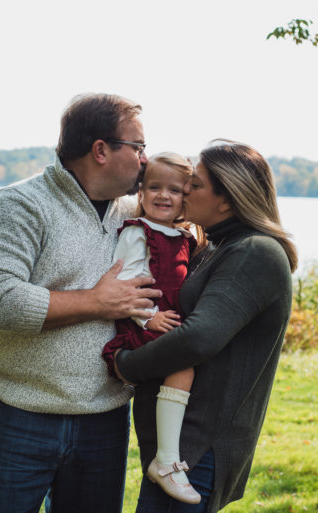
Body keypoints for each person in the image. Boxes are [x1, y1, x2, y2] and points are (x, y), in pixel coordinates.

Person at [0, 93, 162, 513]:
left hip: (105, 421)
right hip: (17, 417)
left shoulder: (135, 214)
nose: (146, 159)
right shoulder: (20, 204)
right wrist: (96, 302)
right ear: (101, 150)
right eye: (138, 147)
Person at [115, 140, 298, 513]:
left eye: (194, 185)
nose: (184, 192)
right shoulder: (218, 246)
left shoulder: (254, 252)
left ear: (226, 200)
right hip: (176, 444)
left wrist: (124, 365)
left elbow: (198, 339)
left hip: (198, 448)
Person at [101, 152, 202, 504]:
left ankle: (168, 455)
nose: (163, 196)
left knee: (187, 370)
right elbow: (125, 284)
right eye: (154, 187)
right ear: (140, 193)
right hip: (142, 325)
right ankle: (167, 460)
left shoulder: (182, 236)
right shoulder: (138, 233)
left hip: (165, 323)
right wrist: (149, 317)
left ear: (186, 198)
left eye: (174, 190)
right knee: (183, 364)